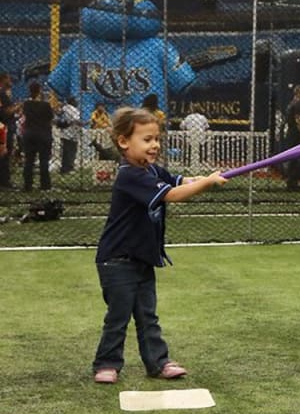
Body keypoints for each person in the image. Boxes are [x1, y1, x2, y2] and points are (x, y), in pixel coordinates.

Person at [91, 107, 227, 384]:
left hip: (141, 257)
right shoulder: (130, 175)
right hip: (117, 260)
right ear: (123, 142)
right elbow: (174, 195)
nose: (154, 145)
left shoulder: (151, 170)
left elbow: (181, 181)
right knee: (118, 317)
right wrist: (208, 182)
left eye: (156, 139)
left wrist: (205, 179)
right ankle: (106, 363)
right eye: (147, 139)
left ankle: (158, 362)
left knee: (147, 315)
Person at [20, 81, 54, 191]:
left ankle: (27, 185)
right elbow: (50, 118)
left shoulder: (26, 104)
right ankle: (45, 185)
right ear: (39, 90)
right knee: (43, 160)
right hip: (43, 134)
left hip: (29, 133)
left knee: (29, 160)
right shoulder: (46, 105)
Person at [284, 85, 300, 191]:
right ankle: (292, 181)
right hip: (295, 133)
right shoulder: (299, 104)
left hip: (291, 132)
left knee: (294, 158)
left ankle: (291, 181)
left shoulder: (292, 103)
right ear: (299, 93)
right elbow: (299, 120)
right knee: (297, 158)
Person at [57, 96, 82, 174]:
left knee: (65, 151)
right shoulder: (72, 109)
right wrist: (84, 123)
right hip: (71, 133)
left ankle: (64, 168)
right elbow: (76, 120)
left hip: (65, 132)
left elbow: (59, 113)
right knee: (71, 151)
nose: (77, 103)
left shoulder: (65, 108)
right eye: (76, 101)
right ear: (72, 102)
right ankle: (69, 168)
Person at [0, 72, 16, 188]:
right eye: (8, 79)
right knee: (5, 154)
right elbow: (7, 111)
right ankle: (5, 181)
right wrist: (18, 106)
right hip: (4, 127)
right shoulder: (2, 93)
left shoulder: (5, 93)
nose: (10, 81)